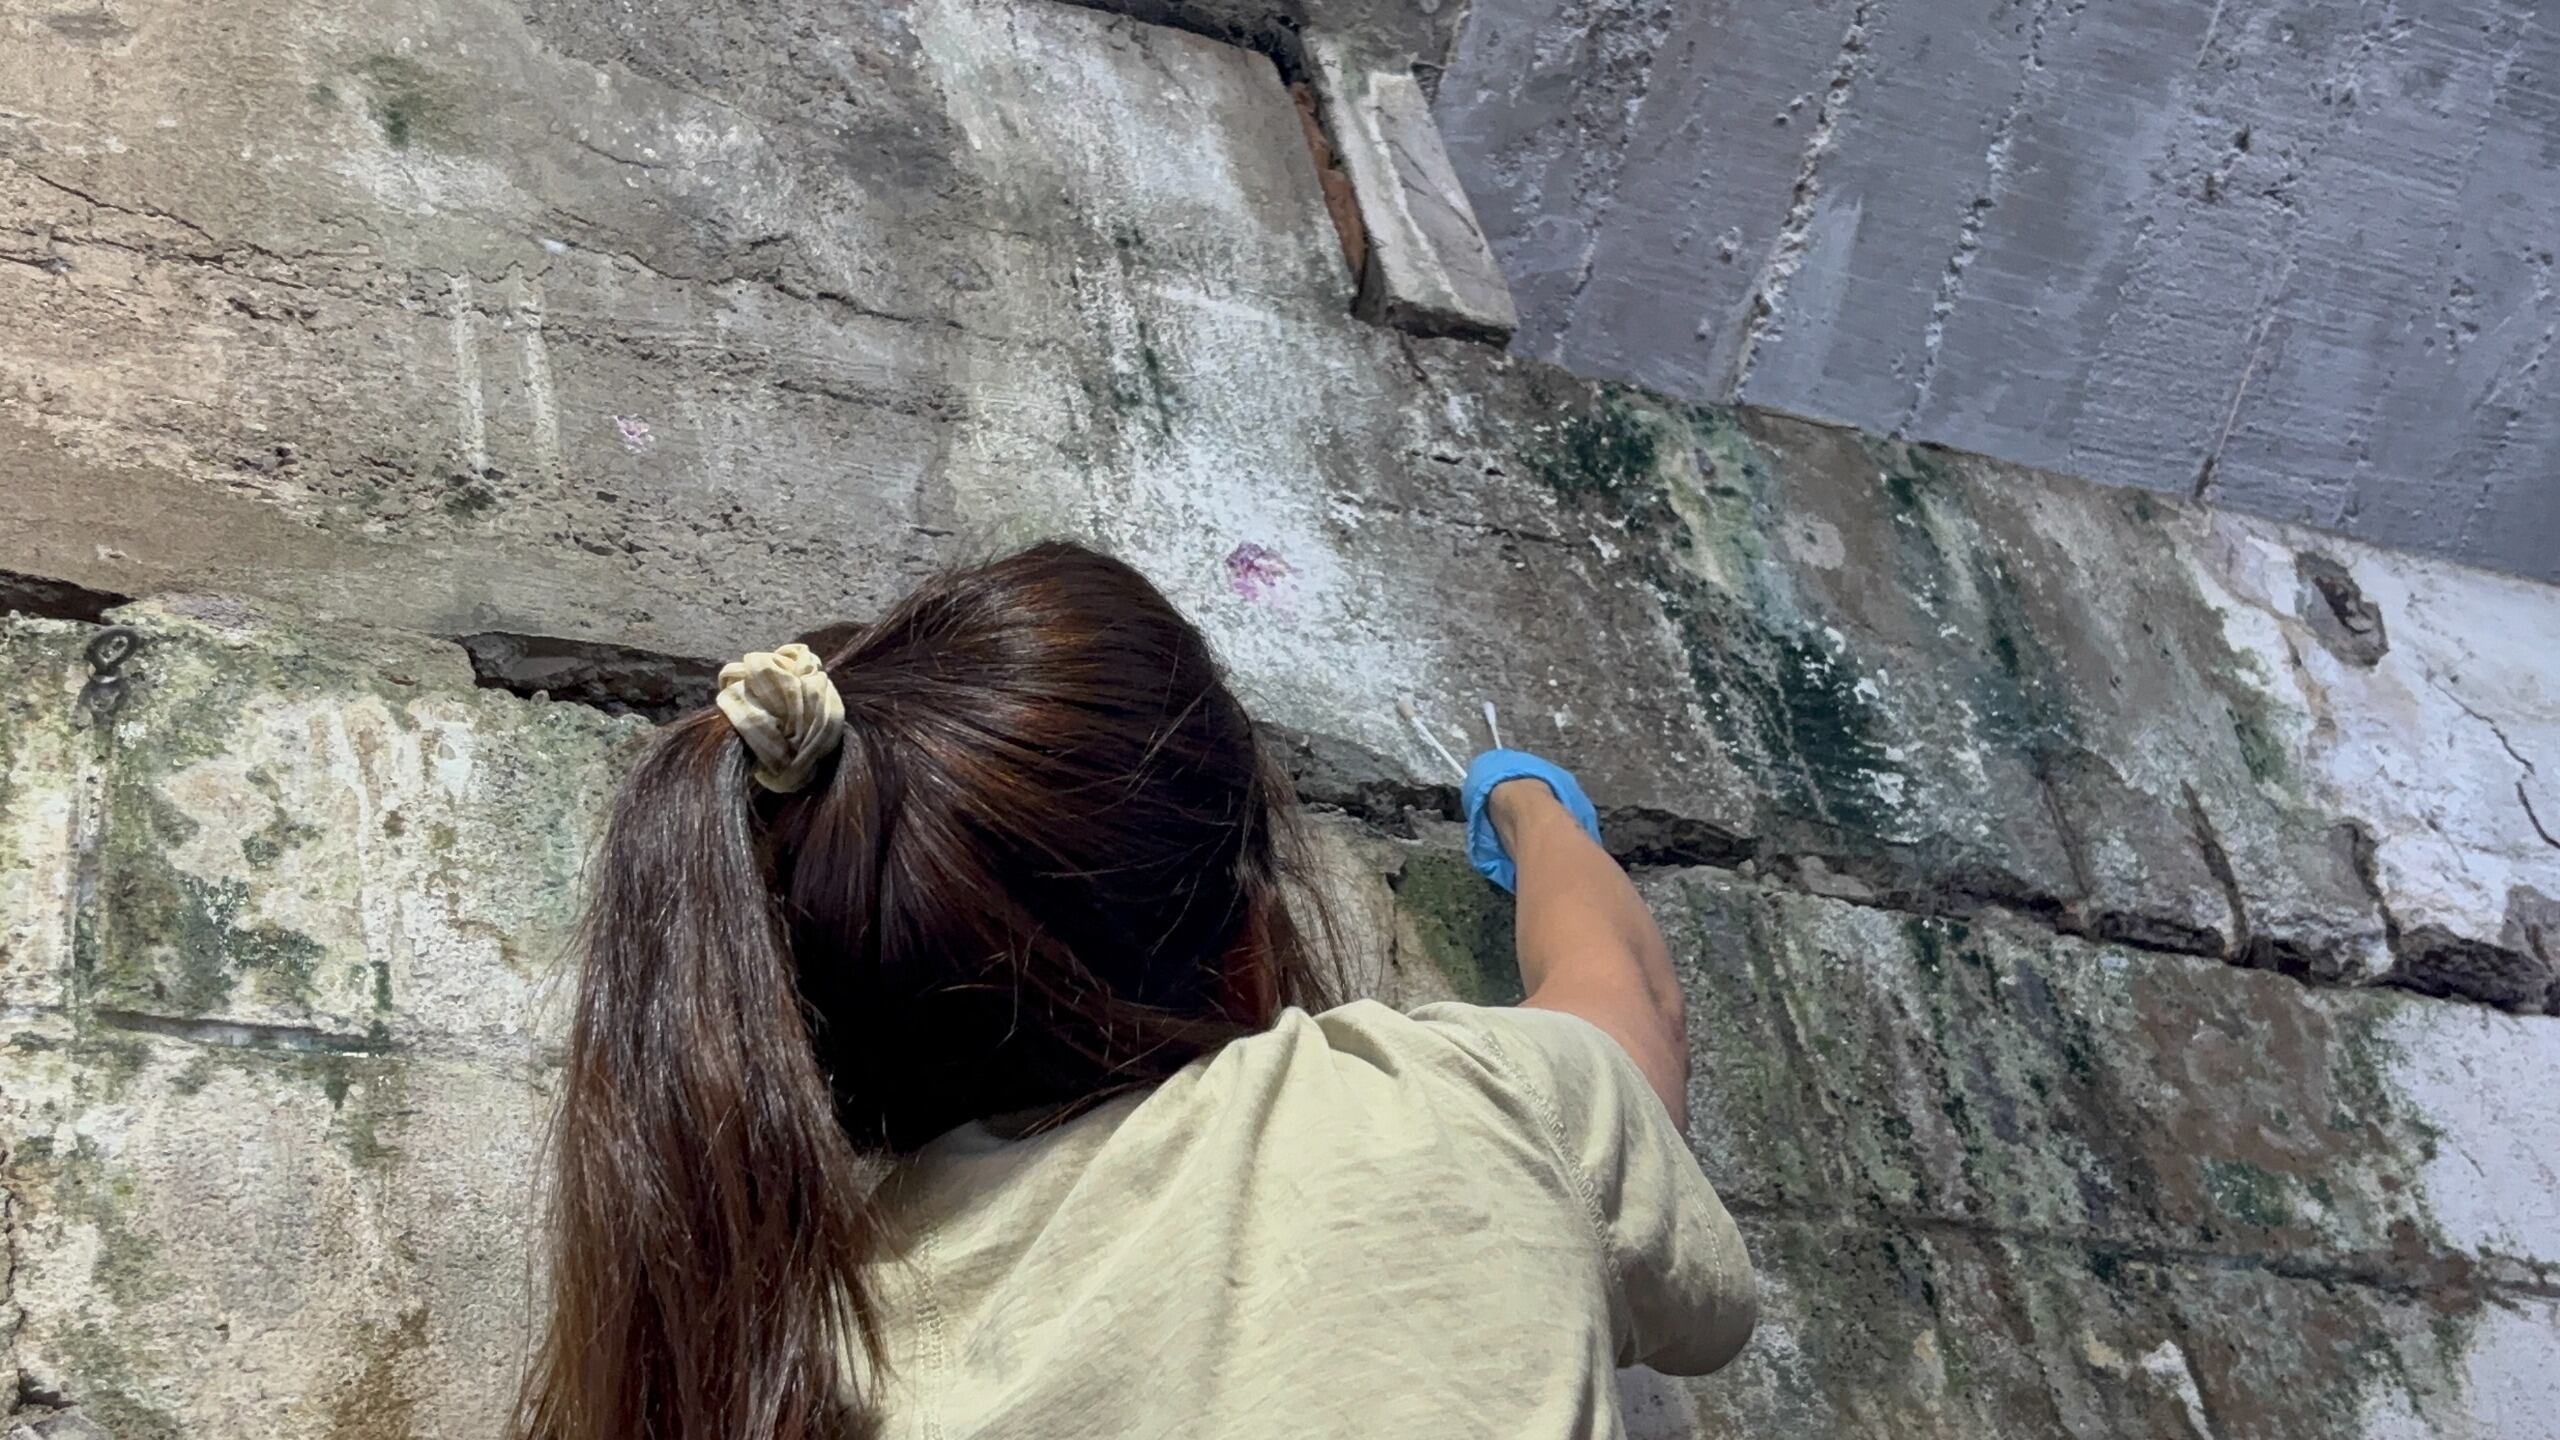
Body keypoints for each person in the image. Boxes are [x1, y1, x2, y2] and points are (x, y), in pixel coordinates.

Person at [513, 541, 1754, 1440]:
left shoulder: (780, 1367)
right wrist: (1534, 809)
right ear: (1243, 950)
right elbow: (1624, 991)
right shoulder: (1448, 1103)